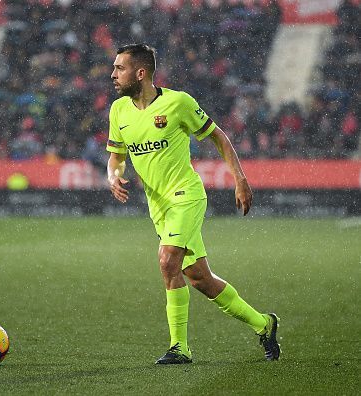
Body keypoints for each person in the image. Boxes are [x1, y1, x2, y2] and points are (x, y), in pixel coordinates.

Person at [106, 44, 280, 364]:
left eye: (120, 68)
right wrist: (113, 175)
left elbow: (218, 137)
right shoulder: (119, 110)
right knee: (200, 278)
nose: (113, 74)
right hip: (157, 205)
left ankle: (179, 348)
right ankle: (263, 324)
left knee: (167, 261)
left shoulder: (178, 102)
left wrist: (239, 179)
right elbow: (115, 156)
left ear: (140, 73)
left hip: (185, 195)